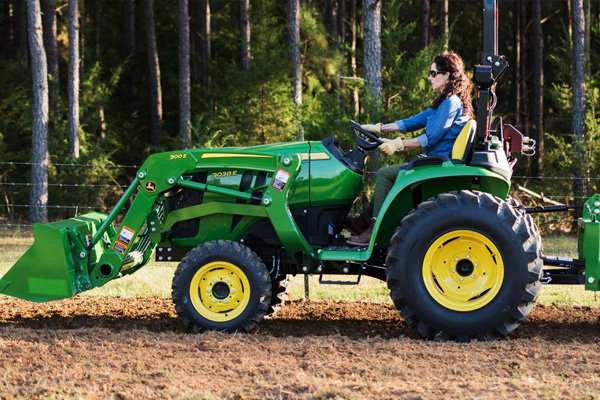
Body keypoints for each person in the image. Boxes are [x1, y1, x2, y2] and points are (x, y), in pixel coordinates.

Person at [347, 50, 475, 246]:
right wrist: (379, 128)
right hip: (434, 160)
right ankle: (364, 221)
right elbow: (412, 122)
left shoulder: (451, 103)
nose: (429, 78)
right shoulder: (443, 103)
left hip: (439, 163)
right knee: (389, 175)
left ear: (447, 75)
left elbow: (430, 138)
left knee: (384, 174)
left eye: (433, 73)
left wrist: (398, 144)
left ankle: (374, 229)